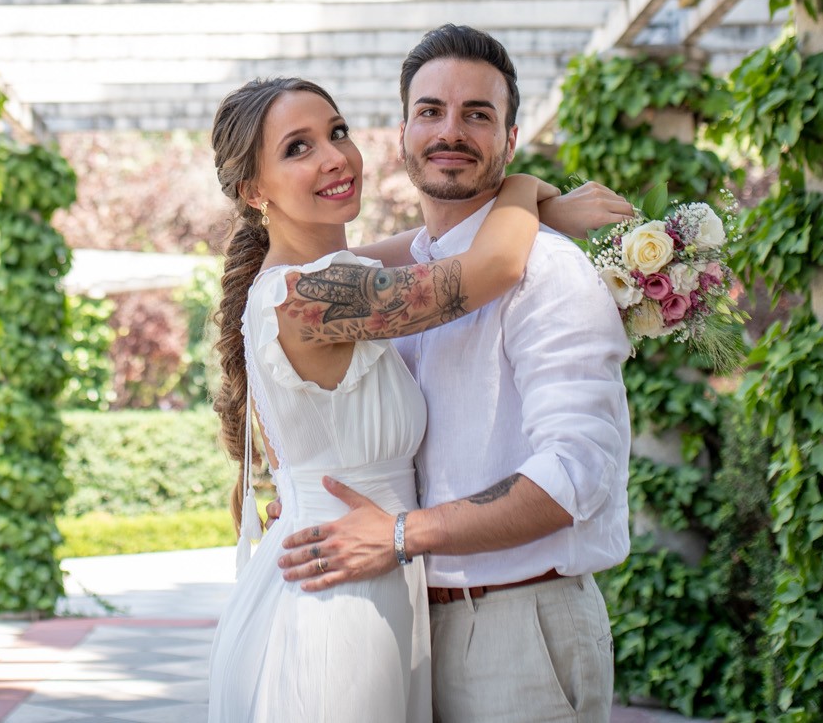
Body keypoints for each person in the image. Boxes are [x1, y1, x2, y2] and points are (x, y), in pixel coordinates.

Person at [203, 73, 630, 723]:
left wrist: (529, 208)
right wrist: (521, 185)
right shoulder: (310, 299)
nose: (334, 157)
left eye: (337, 132)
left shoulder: (327, 278)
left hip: (371, 577)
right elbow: (490, 266)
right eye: (298, 147)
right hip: (342, 594)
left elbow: (436, 244)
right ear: (253, 190)